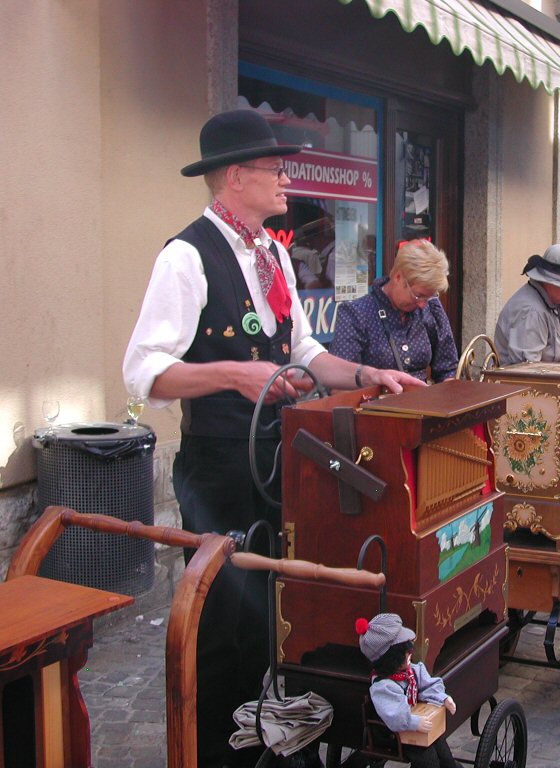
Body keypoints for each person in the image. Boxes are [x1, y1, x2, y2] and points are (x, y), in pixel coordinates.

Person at [122, 109, 424, 768]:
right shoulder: (186, 256)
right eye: (275, 169)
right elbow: (143, 372)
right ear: (236, 176)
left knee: (266, 615)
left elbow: (304, 350)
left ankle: (253, 740)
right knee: (220, 624)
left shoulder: (274, 253)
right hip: (217, 466)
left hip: (275, 458)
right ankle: (210, 753)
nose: (288, 180)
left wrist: (367, 374)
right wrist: (236, 374)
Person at [330, 239, 459, 383]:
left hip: (423, 396)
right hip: (374, 397)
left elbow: (448, 369)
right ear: (398, 277)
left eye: (428, 297)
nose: (423, 305)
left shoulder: (431, 306)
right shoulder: (356, 313)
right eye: (418, 295)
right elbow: (339, 381)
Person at [356, 613, 459, 768]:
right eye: (405, 651)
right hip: (393, 734)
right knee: (427, 759)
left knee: (443, 750)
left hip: (415, 727)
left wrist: (443, 698)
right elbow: (394, 715)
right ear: (391, 658)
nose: (410, 652)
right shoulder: (383, 687)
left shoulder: (411, 672)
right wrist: (414, 723)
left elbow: (428, 685)